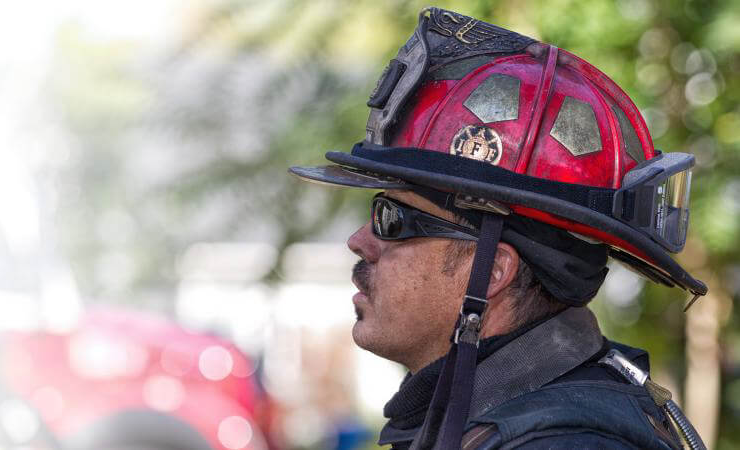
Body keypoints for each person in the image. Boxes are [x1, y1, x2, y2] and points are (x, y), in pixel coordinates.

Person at [290, 7, 706, 449]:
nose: (359, 242)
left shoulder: (566, 443)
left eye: (391, 219)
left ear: (491, 272)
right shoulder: (487, 420)